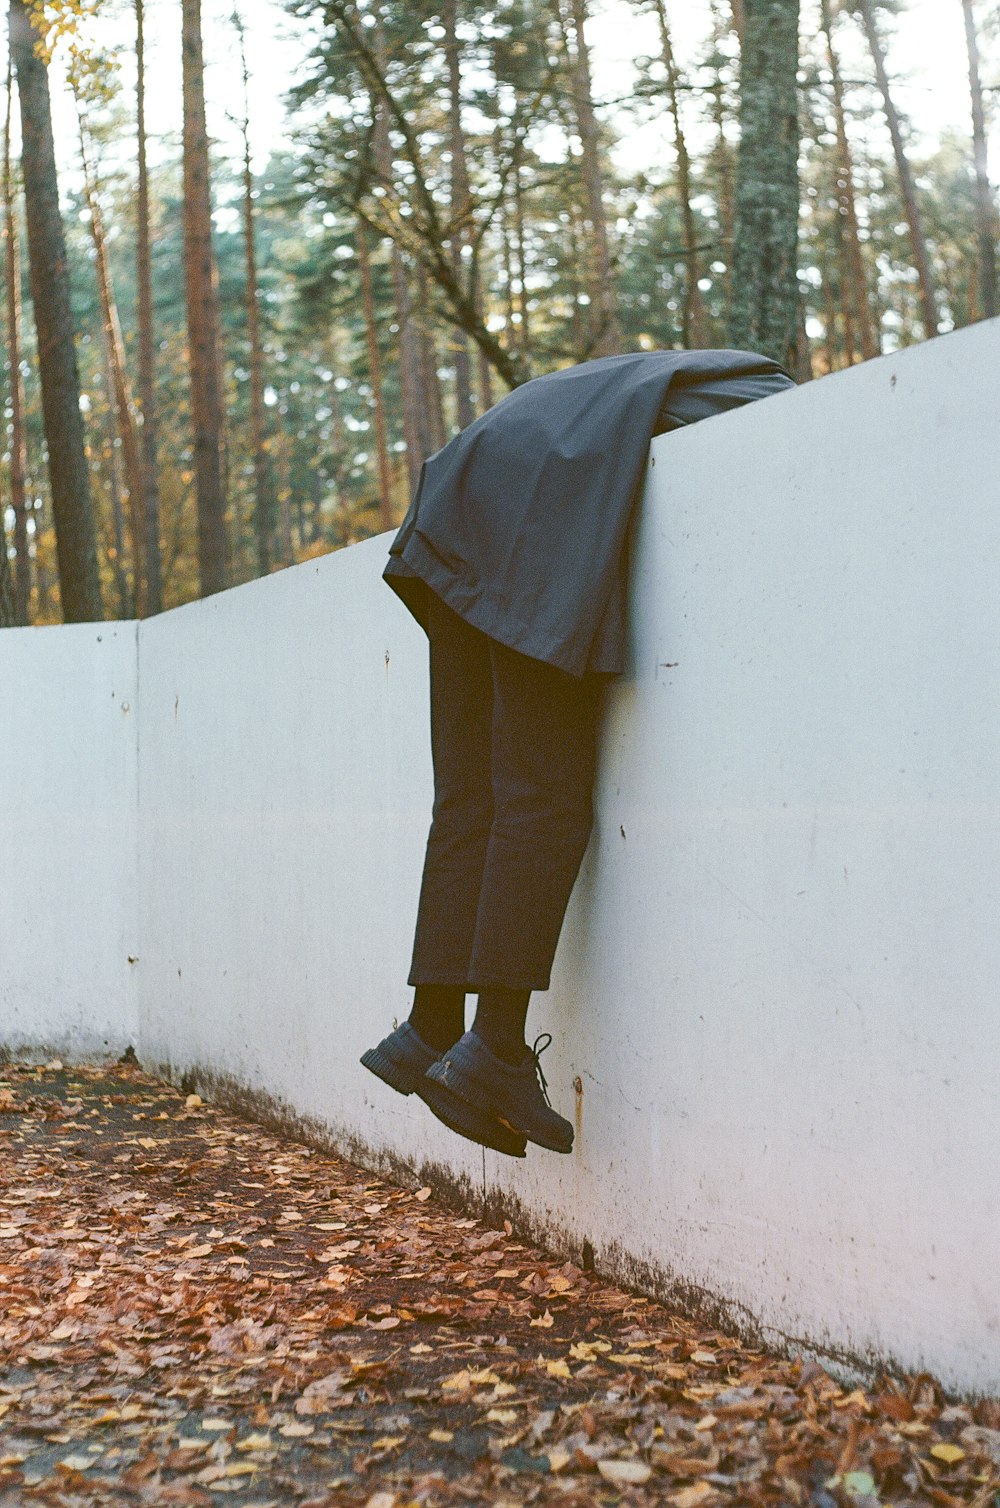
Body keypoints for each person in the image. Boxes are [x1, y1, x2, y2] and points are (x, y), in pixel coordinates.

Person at [362, 349, 795, 1157]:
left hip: (453, 496)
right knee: (542, 797)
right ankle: (489, 1050)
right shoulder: (769, 393)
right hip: (526, 511)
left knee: (472, 795)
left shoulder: (668, 375)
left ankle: (427, 1029)